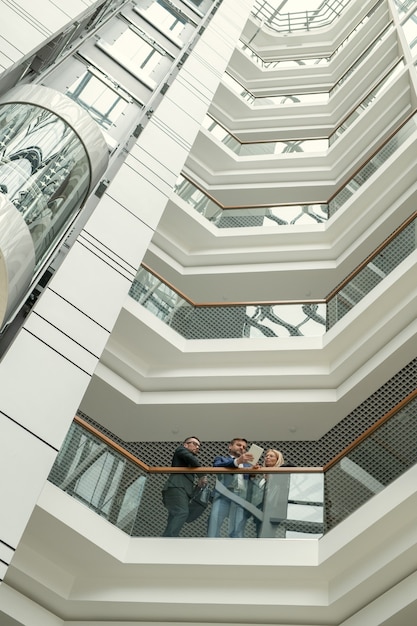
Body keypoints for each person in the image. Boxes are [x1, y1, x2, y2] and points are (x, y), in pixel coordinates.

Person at [207, 438, 254, 538]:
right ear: (230, 446)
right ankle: (212, 547)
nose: (242, 448)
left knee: (238, 528)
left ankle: (237, 550)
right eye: (239, 445)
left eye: (244, 447)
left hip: (241, 498)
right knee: (214, 524)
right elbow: (216, 466)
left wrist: (254, 472)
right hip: (223, 497)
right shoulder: (221, 459)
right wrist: (237, 461)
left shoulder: (248, 465)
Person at [162, 436, 206, 537]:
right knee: (182, 512)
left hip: (181, 490)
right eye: (194, 444)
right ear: (185, 444)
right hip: (176, 487)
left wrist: (198, 486)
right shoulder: (181, 450)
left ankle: (168, 538)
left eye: (199, 446)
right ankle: (170, 538)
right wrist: (202, 475)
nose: (197, 447)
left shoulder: (188, 462)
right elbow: (192, 459)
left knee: (174, 516)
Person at [248, 448, 285, 537]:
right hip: (260, 512)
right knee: (259, 535)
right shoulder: (262, 477)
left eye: (271, 456)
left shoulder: (282, 475)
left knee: (270, 536)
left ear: (277, 459)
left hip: (273, 510)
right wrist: (252, 475)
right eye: (266, 456)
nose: (267, 457)